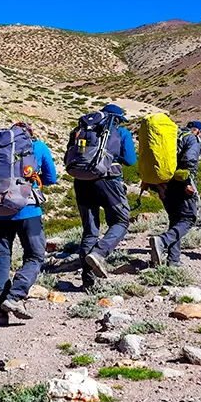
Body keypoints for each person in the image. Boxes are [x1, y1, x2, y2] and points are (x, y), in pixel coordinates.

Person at [0, 123, 57, 324]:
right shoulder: (38, 147)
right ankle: (15, 296)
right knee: (35, 254)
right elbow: (51, 177)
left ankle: (0, 310)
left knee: (1, 255)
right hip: (28, 210)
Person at [74, 104, 136, 287]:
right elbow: (131, 160)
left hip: (81, 180)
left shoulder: (81, 129)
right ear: (116, 119)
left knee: (90, 229)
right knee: (121, 221)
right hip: (108, 181)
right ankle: (99, 253)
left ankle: (87, 279)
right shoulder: (120, 132)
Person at [149, 121, 201, 268]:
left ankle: (173, 260)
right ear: (198, 131)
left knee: (175, 219)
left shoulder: (170, 137)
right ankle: (162, 241)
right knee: (189, 218)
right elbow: (190, 159)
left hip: (161, 182)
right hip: (180, 183)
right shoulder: (191, 138)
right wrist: (188, 182)